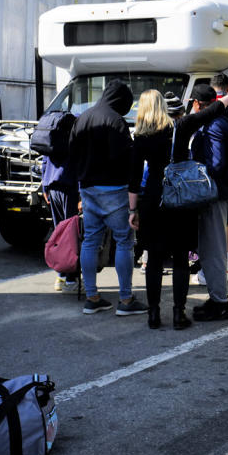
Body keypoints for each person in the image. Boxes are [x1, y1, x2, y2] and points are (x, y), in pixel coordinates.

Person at [130, 89, 228, 329]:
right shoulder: (181, 127)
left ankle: (154, 314)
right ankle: (179, 314)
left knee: (154, 261)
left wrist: (132, 210)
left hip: (153, 201)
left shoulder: (140, 137)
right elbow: (211, 111)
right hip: (179, 199)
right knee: (180, 260)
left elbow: (134, 178)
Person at [68, 79, 148, 316]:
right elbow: (128, 160)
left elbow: (71, 153)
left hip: (88, 188)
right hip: (114, 190)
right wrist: (134, 197)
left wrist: (79, 187)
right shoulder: (116, 121)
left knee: (91, 240)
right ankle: (125, 299)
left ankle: (92, 297)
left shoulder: (83, 117)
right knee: (124, 241)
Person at [189, 83, 228, 321]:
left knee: (213, 250)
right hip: (221, 193)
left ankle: (220, 303)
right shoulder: (223, 120)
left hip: (214, 195)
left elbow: (216, 163)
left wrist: (199, 175)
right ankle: (216, 298)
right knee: (211, 249)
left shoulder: (215, 125)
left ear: (198, 104)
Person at [41, 152, 80, 294]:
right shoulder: (73, 130)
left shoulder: (54, 129)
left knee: (59, 233)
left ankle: (61, 276)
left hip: (52, 184)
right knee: (71, 234)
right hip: (70, 186)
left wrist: (44, 184)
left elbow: (45, 158)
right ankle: (70, 279)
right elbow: (79, 159)